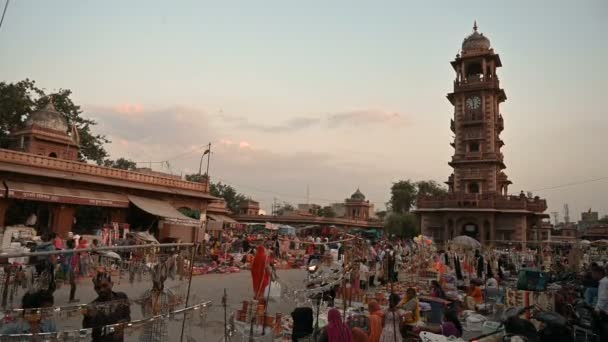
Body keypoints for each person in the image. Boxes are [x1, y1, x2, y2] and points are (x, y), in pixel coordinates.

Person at [83, 270, 131, 342]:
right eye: (97, 288)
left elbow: (127, 317)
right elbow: (86, 329)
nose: (101, 290)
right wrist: (87, 317)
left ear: (111, 284)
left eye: (104, 285)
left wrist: (123, 323)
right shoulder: (92, 306)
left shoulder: (122, 297)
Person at [593, 264, 608, 341]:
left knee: (603, 332)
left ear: (599, 273)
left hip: (605, 311)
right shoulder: (604, 281)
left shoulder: (603, 282)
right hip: (605, 310)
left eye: (594, 273)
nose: (593, 275)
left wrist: (597, 308)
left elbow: (603, 297)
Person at [64, 238, 80, 303]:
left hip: (70, 268)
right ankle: (71, 299)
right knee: (73, 284)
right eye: (74, 243)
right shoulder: (70, 251)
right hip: (70, 269)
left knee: (73, 284)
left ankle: (71, 298)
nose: (75, 244)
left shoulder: (69, 250)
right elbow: (69, 261)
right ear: (72, 244)